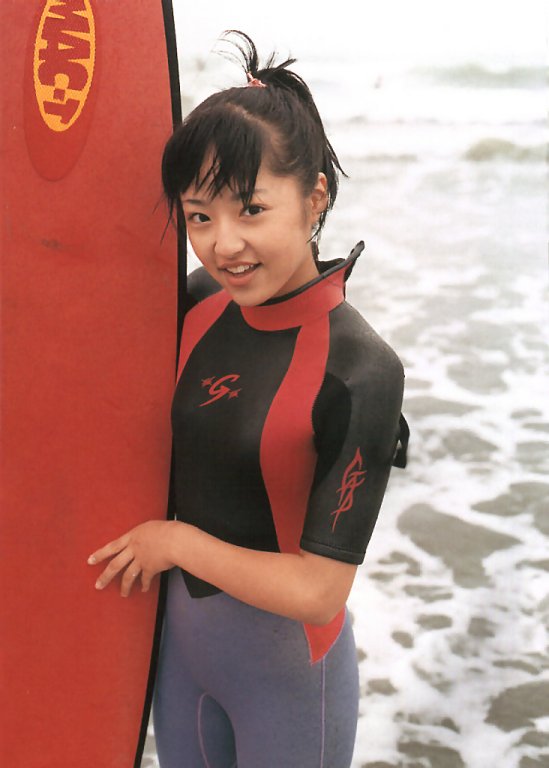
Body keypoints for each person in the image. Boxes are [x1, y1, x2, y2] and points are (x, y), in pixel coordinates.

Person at [88, 31, 408, 768]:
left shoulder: (359, 369)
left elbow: (320, 591)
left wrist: (175, 543)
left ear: (314, 197)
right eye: (199, 216)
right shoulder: (194, 306)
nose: (223, 244)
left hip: (288, 681)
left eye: (251, 209)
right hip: (182, 661)